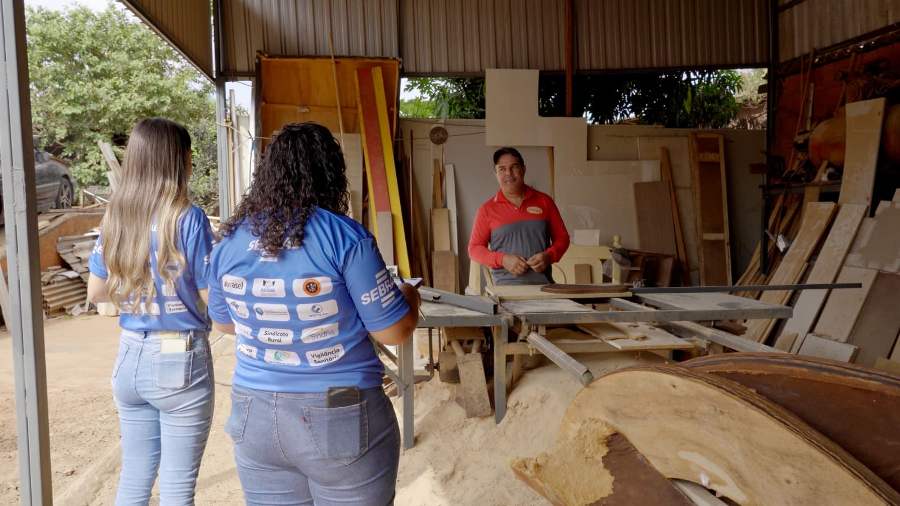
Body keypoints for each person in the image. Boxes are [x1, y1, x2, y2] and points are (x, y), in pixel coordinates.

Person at [207, 122, 420, 505]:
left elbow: (224, 323)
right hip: (338, 414)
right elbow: (393, 332)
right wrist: (408, 295)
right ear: (330, 174)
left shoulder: (230, 240)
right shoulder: (343, 237)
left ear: (267, 173)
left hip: (254, 414)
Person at [87, 118, 216, 505]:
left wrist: (141, 282)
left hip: (129, 356)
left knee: (135, 476)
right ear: (184, 161)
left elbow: (96, 292)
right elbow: (213, 298)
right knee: (177, 487)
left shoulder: (115, 217)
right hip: (179, 360)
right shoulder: (187, 217)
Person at [468, 147, 570, 285]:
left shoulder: (545, 202)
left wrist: (549, 256)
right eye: (502, 169)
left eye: (514, 167)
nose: (508, 173)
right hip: (506, 292)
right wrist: (503, 259)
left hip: (544, 289)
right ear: (496, 174)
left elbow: (562, 238)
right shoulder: (487, 210)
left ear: (523, 169)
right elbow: (474, 248)